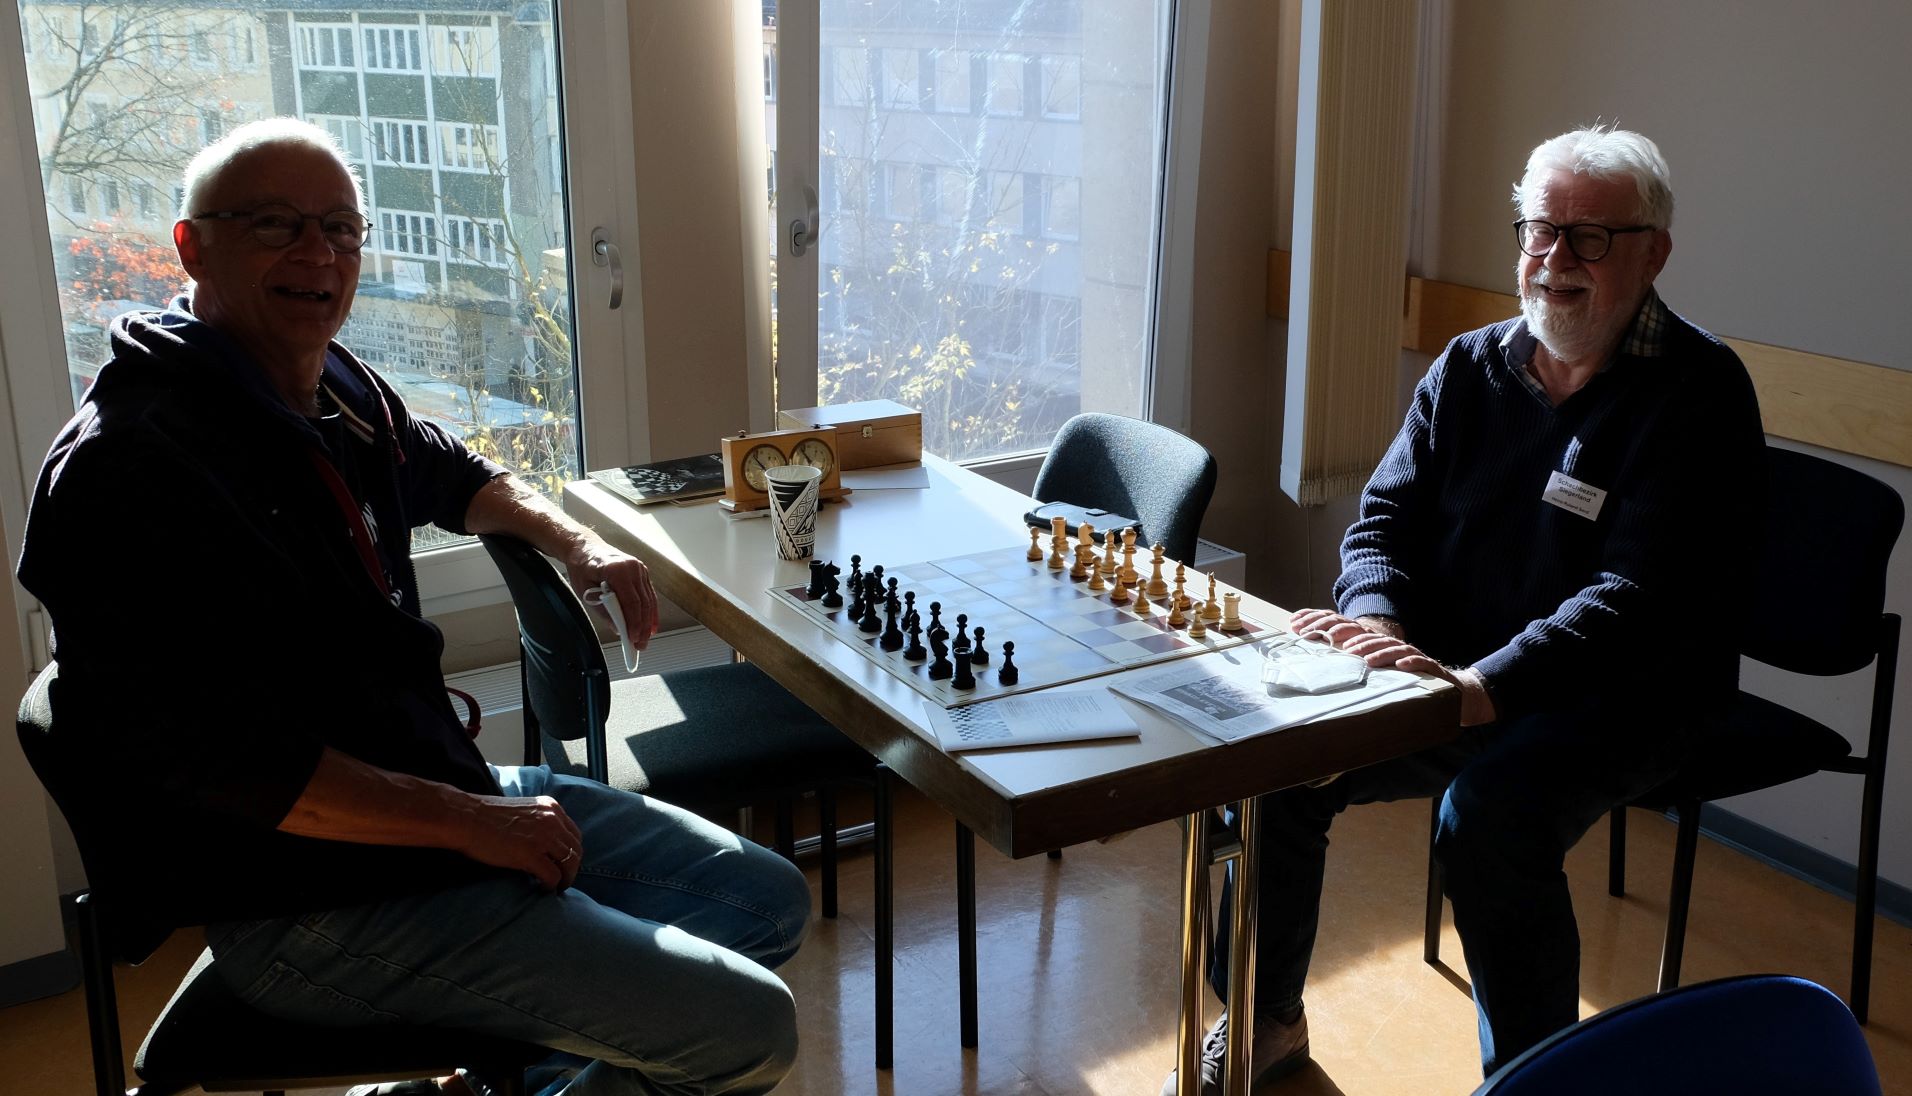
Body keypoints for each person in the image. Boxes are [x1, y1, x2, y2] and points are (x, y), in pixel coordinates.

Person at [17, 118, 812, 1096]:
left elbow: (454, 471)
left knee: (765, 901)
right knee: (748, 1030)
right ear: (192, 247)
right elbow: (231, 764)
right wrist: (471, 822)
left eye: (341, 228)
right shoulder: (133, 466)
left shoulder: (327, 386)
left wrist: (580, 544)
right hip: (307, 898)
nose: (319, 254)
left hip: (436, 802)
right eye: (275, 225)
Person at [1164, 125, 1766, 1094]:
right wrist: (1380, 627)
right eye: (1539, 230)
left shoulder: (1700, 392)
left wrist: (1482, 687)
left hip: (1629, 693)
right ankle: (1269, 1020)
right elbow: (1382, 522)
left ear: (1653, 252)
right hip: (1452, 669)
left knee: (1488, 819)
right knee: (1278, 760)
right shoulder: (1470, 365)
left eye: (1589, 238)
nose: (1554, 259)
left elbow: (1636, 598)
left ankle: (1537, 1081)